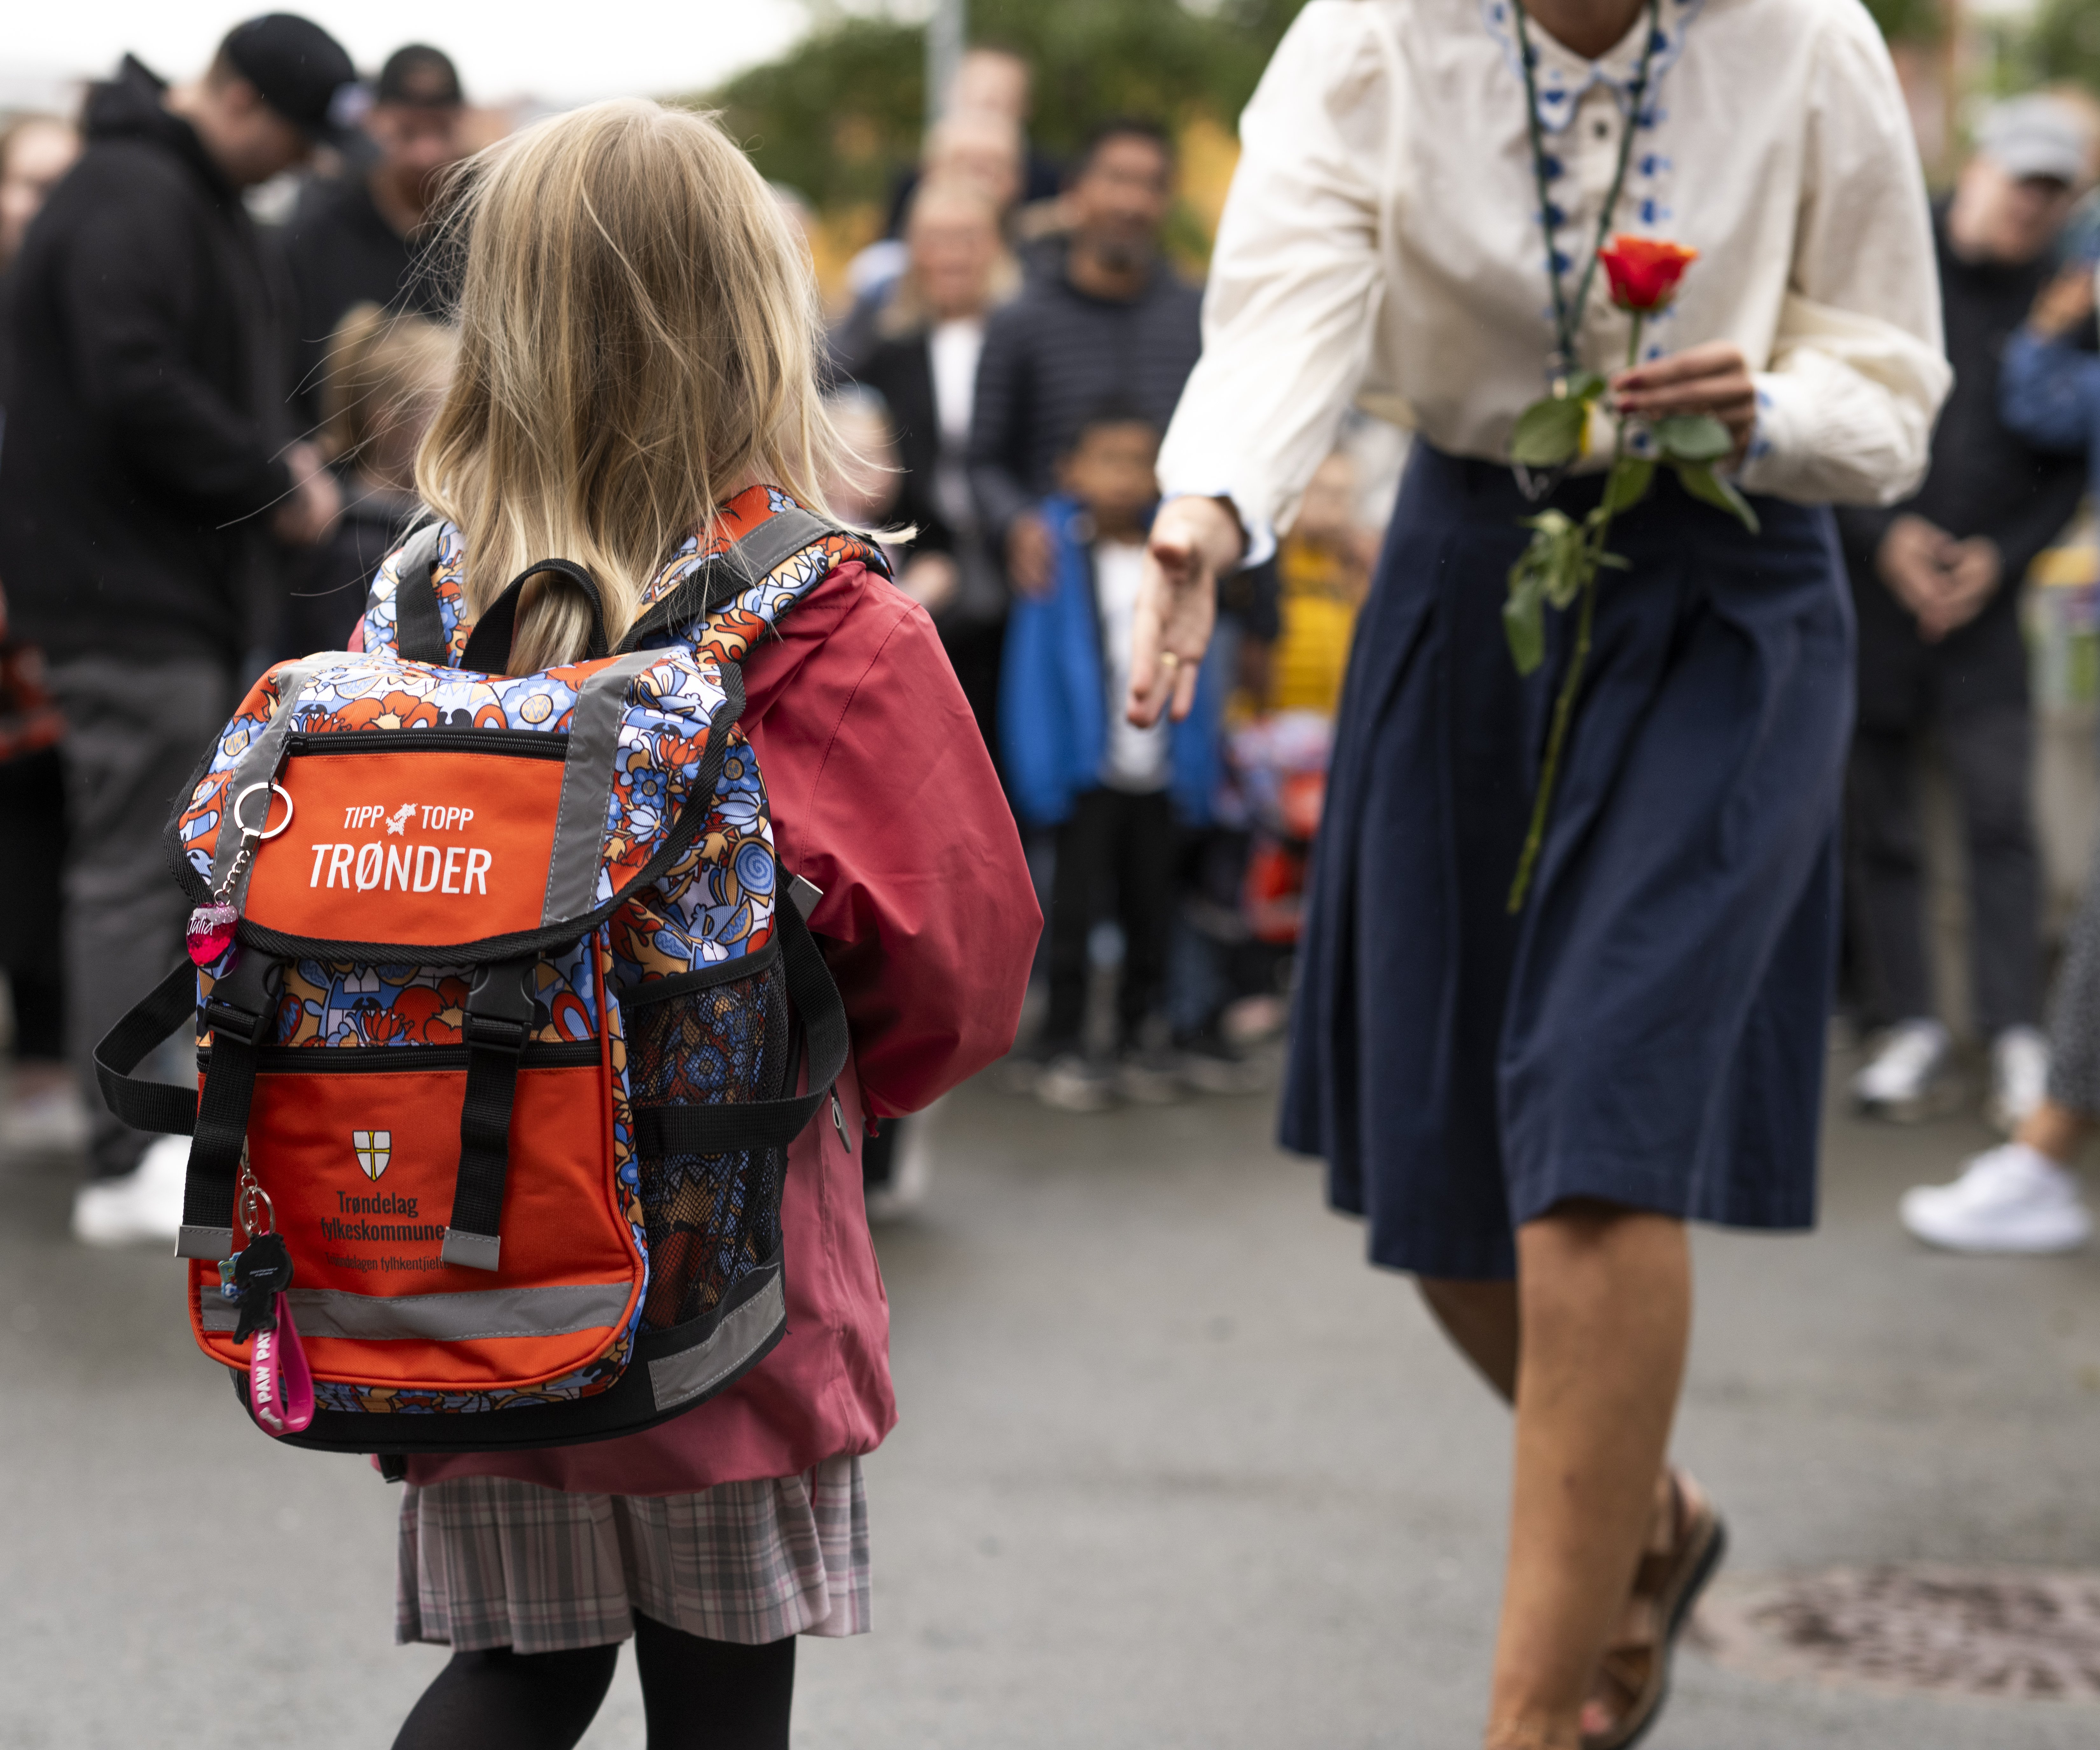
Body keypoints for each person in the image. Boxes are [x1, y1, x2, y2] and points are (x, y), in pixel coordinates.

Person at [1126, 3, 1948, 1747]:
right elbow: (1286, 315)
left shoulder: (1807, 41)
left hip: (1728, 585)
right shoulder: (1369, 37)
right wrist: (1206, 509)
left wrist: (1777, 400)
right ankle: (1643, 1517)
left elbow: (1890, 393)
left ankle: (1523, 1720)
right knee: (1436, 1170)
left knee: (1590, 1132)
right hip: (1463, 571)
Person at [371, 100, 1035, 1748]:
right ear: (760, 322)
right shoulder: (820, 616)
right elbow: (957, 970)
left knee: (516, 1678)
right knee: (723, 1697)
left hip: (465, 1248)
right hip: (724, 1268)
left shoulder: (424, 599)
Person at [0, 16, 352, 1243]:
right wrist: (275, 477)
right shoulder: (134, 193)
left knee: (152, 865)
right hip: (123, 598)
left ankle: (139, 1133)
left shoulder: (164, 190)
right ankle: (122, 1154)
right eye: (297, 137)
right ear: (244, 99)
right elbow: (133, 377)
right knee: (132, 867)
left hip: (158, 595)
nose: (298, 166)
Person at [1838, 95, 2091, 1132]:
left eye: (2050, 192)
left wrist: (1998, 559)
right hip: (1875, 582)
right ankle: (1912, 1025)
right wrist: (1884, 534)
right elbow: (1837, 404)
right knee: (1880, 816)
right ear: (1980, 165)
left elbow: (2065, 456)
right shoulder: (1890, 255)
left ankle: (2016, 1033)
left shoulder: (2062, 293)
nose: (2026, 205)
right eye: (2017, 179)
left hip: (1984, 599)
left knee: (2001, 818)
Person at [1001, 405, 1220, 1109]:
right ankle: (1062, 1041)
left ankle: (1136, 1034)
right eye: (1108, 460)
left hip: (1157, 767)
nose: (1124, 477)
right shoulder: (1053, 553)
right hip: (1085, 769)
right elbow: (1035, 670)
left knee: (1150, 905)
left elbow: (1201, 660)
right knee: (1072, 908)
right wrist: (1041, 768)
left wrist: (1198, 765)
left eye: (1139, 461)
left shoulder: (1178, 554)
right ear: (1070, 469)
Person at [968, 116, 1201, 604]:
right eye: (1116, 180)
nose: (1131, 203)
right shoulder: (1020, 320)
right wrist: (1016, 523)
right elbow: (984, 461)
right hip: (1056, 590)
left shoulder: (1199, 319)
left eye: (1150, 186)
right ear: (1076, 191)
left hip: (1181, 575)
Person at [850, 179, 1019, 752]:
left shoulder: (1022, 336)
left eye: (967, 238)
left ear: (994, 246)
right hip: (924, 561)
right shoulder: (885, 349)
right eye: (936, 239)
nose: (952, 254)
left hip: (1016, 560)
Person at [0, 111, 82, 1153]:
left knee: (54, 836)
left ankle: (53, 1057)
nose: (45, 206)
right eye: (28, 183)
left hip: (61, 633)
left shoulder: (78, 319)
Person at [279, 44, 470, 431]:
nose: (426, 155)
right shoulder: (317, 238)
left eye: (441, 131)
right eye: (407, 133)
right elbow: (290, 380)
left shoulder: (488, 232)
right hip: (348, 476)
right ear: (373, 122)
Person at [282, 304, 455, 657]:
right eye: (445, 413)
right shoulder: (348, 552)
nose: (460, 432)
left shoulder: (443, 534)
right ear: (386, 420)